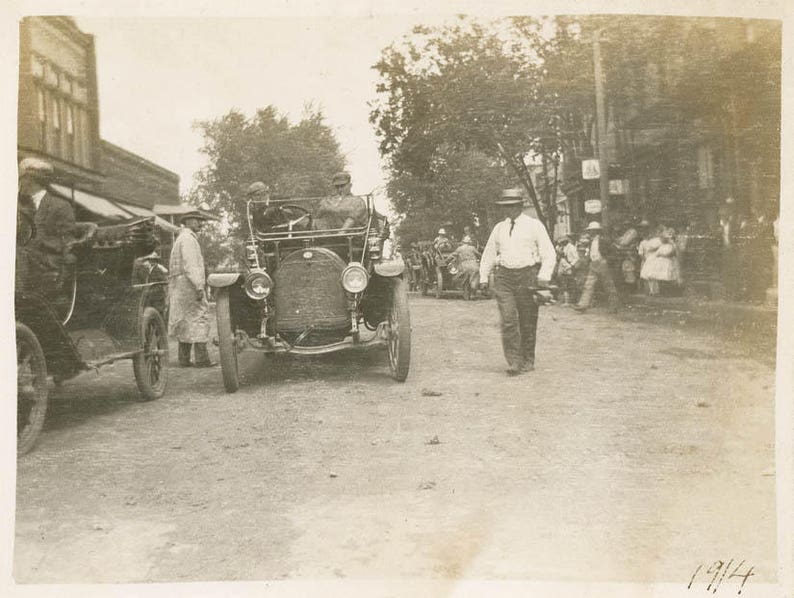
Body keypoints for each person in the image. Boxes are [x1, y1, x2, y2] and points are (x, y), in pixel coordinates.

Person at [479, 188, 556, 376]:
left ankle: (528, 359)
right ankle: (514, 361)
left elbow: (549, 252)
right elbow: (489, 253)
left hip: (527, 276)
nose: (509, 210)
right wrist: (483, 276)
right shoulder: (499, 228)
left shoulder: (534, 225)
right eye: (506, 207)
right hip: (504, 277)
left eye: (513, 206)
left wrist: (544, 275)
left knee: (527, 320)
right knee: (508, 320)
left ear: (520, 206)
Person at [17, 157, 96, 302]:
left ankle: (15, 299)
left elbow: (67, 241)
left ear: (31, 179)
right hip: (28, 257)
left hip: (49, 259)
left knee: (18, 253)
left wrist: (37, 244)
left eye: (21, 177)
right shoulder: (18, 205)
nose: (19, 182)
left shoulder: (60, 205)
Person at [169, 210, 216, 368]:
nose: (201, 224)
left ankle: (184, 359)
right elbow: (190, 265)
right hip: (189, 284)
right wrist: (198, 286)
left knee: (185, 320)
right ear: (188, 221)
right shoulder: (188, 240)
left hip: (180, 285)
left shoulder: (181, 238)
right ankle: (202, 359)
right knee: (199, 317)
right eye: (197, 220)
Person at [574, 221, 620, 312]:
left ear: (596, 231)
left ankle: (613, 306)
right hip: (593, 263)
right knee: (588, 284)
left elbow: (612, 251)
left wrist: (607, 260)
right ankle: (583, 305)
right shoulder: (591, 241)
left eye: (592, 231)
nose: (591, 232)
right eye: (590, 231)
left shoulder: (604, 240)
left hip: (602, 263)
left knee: (608, 285)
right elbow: (591, 253)